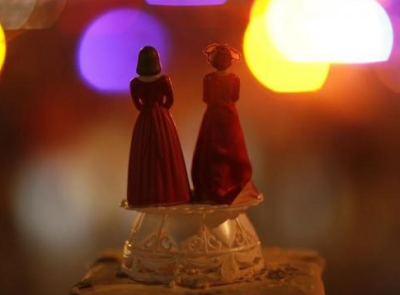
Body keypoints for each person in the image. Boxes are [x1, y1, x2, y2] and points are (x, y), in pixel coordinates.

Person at [192, 43, 257, 205]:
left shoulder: (209, 78)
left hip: (213, 115)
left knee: (210, 146)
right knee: (232, 147)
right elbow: (235, 97)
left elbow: (206, 98)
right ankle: (230, 182)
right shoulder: (235, 79)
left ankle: (210, 185)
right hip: (229, 115)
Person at [127, 46, 191, 207]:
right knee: (166, 152)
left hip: (145, 120)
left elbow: (137, 104)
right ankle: (170, 191)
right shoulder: (163, 81)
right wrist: (161, 111)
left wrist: (148, 111)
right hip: (162, 118)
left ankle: (146, 194)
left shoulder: (135, 83)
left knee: (144, 155)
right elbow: (170, 101)